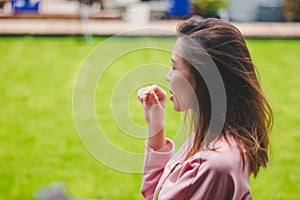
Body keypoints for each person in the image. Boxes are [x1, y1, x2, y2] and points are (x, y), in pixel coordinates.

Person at [137, 17, 273, 200]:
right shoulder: (213, 136)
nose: (168, 76)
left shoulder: (212, 163)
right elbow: (156, 193)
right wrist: (156, 125)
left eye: (175, 67)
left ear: (203, 78)